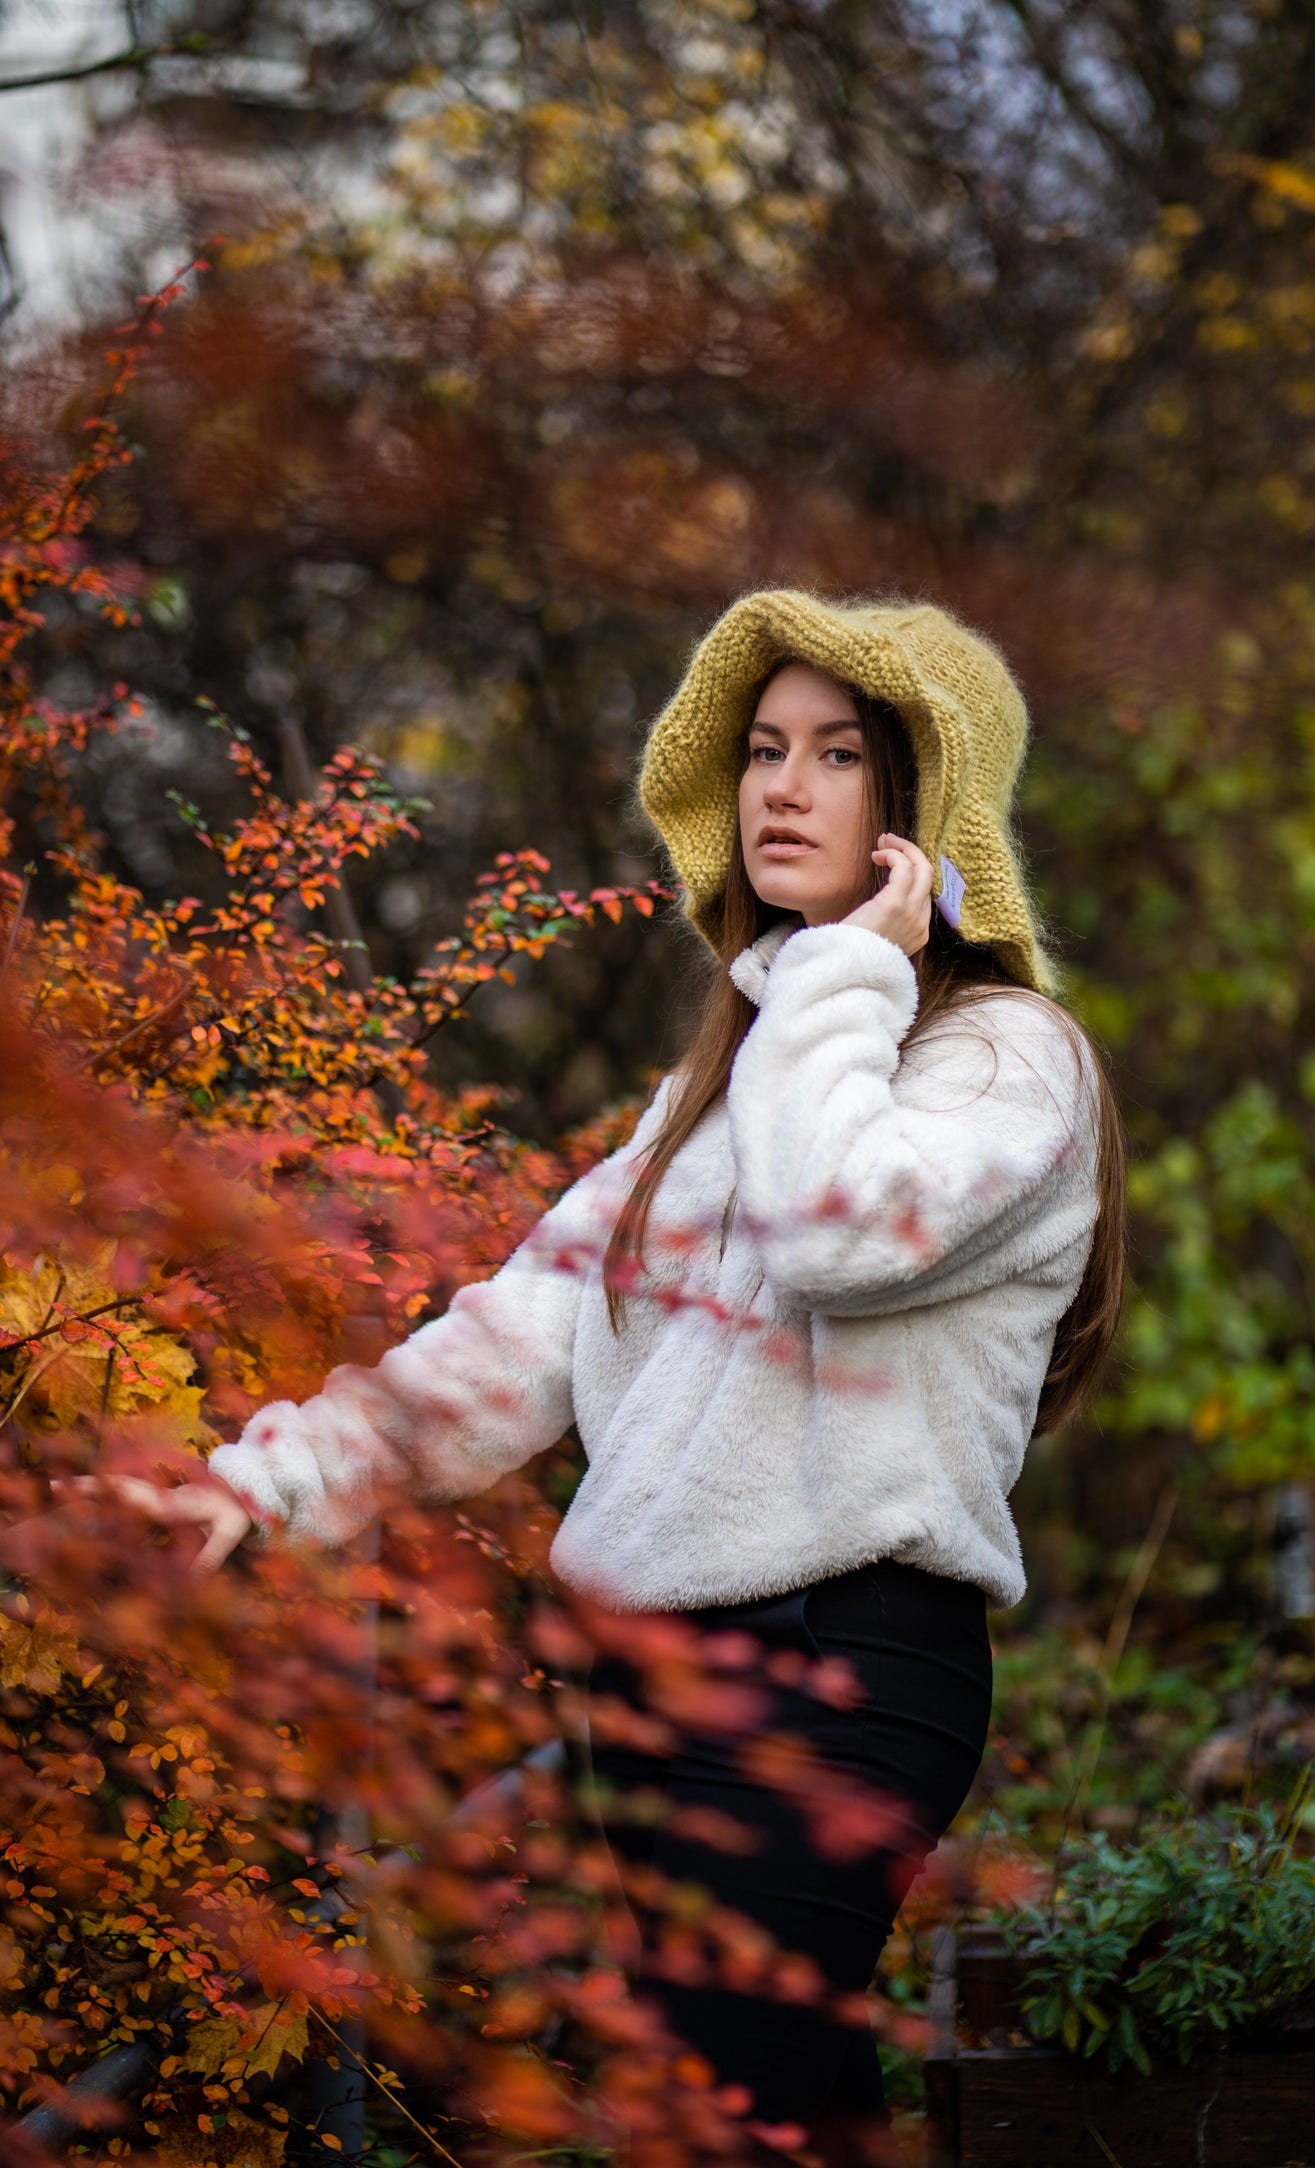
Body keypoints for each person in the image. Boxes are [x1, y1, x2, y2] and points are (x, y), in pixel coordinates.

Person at [75, 592, 1125, 2164]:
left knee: (730, 2112)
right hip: (652, 1687)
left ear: (924, 809)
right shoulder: (714, 1098)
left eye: (837, 756)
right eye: (764, 751)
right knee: (759, 2125)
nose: (780, 787)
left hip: (842, 1670)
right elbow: (514, 1345)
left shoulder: (1004, 1059)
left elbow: (838, 1233)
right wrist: (262, 1485)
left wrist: (844, 970)